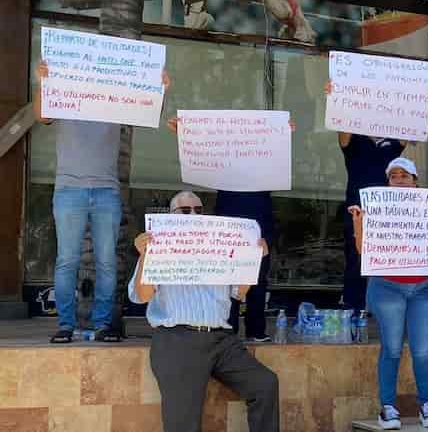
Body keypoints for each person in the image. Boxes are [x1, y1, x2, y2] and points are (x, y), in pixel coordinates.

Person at [35, 61, 170, 344]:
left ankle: (102, 326)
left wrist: (161, 90)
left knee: (107, 262)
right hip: (69, 189)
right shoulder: (65, 95)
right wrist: (44, 82)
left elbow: (146, 112)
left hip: (106, 191)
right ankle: (65, 326)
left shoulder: (114, 101)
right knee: (67, 261)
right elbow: (42, 115)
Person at [129, 191, 279, 432]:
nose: (193, 215)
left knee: (265, 384)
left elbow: (239, 292)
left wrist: (253, 260)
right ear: (171, 216)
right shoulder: (157, 246)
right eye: (185, 211)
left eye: (198, 210)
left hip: (221, 339)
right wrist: (146, 255)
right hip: (178, 340)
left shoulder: (218, 245)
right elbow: (143, 296)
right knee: (183, 423)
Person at [350, 157, 428, 429]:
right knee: (393, 348)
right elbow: (363, 249)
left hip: (424, 288)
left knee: (423, 350)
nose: (399, 179)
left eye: (405, 175)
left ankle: (426, 405)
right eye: (394, 176)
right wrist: (359, 222)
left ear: (415, 180)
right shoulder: (377, 207)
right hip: (387, 286)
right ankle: (387, 407)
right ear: (388, 181)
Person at [167, 116, 295, 342]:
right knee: (227, 273)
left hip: (259, 217)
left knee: (258, 273)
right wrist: (185, 135)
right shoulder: (222, 163)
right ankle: (229, 327)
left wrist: (283, 136)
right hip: (227, 217)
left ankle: (256, 329)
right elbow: (202, 155)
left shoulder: (263, 163)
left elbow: (277, 158)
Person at [324, 80, 428, 310]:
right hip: (358, 209)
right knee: (356, 259)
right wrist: (336, 98)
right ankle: (353, 310)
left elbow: (412, 124)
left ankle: (378, 308)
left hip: (388, 213)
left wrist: (425, 100)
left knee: (385, 261)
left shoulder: (392, 143)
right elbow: (342, 126)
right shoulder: (353, 140)